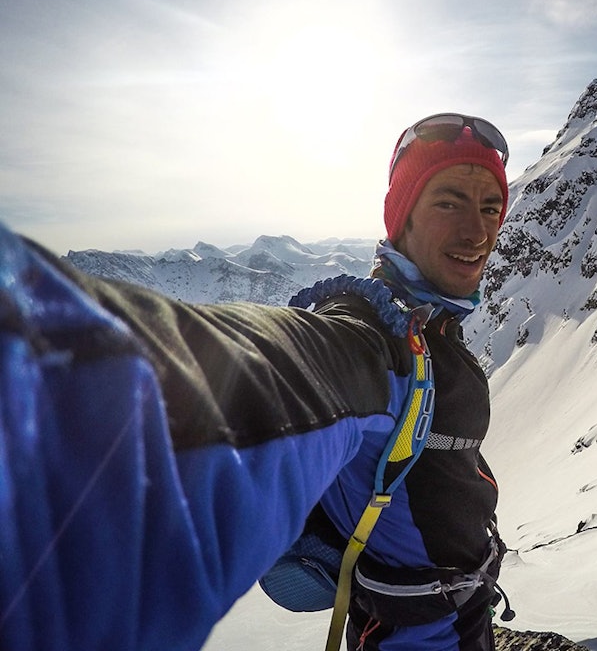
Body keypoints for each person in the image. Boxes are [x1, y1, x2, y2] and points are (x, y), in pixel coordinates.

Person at [0, 113, 512, 651]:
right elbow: (266, 379)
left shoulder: (432, 329)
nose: (477, 231)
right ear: (401, 219)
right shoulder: (370, 339)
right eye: (449, 202)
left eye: (489, 208)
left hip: (458, 622)